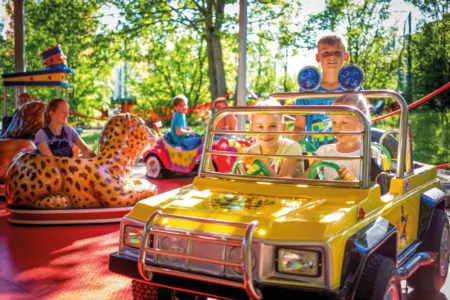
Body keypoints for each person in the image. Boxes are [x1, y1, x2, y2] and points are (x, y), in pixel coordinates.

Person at [303, 93, 380, 181]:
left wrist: (353, 181)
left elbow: (374, 188)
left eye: (344, 122)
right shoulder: (324, 152)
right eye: (334, 122)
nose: (337, 127)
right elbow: (306, 178)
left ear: (361, 124)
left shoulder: (370, 153)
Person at [294, 34, 352, 147]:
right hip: (315, 154)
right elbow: (299, 127)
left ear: (346, 56)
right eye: (326, 53)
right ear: (317, 57)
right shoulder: (307, 90)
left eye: (337, 52)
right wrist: (294, 155)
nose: (332, 56)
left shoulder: (353, 89)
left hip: (346, 154)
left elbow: (363, 124)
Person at [244, 99, 302, 177]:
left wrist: (263, 161)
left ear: (283, 128)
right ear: (251, 129)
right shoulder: (252, 151)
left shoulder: (291, 147)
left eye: (272, 126)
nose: (266, 132)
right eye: (260, 126)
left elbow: (282, 186)